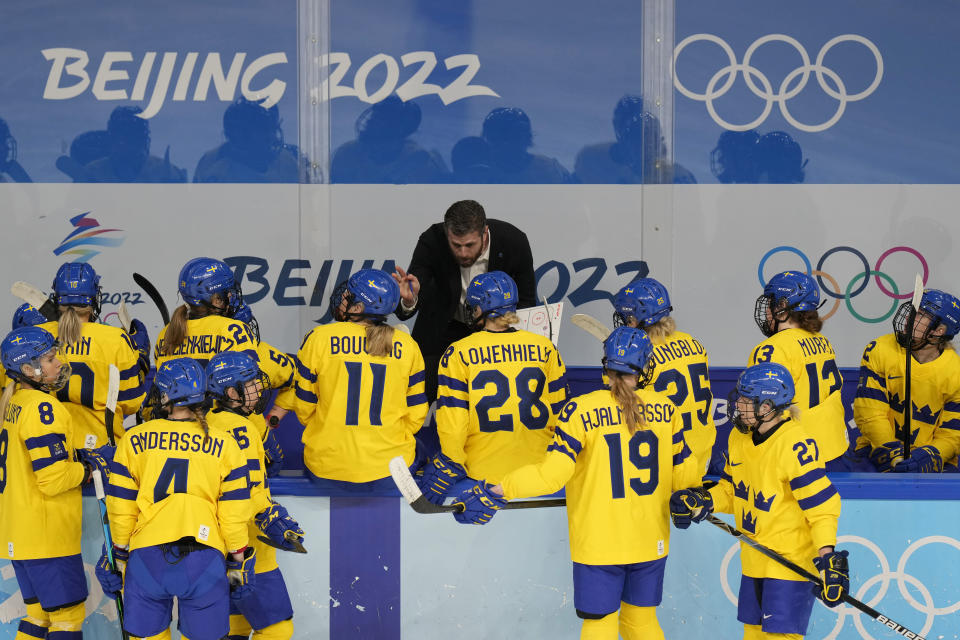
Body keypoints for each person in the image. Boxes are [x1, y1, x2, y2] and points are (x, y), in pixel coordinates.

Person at [455, 327, 700, 640]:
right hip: (650, 541)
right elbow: (686, 472)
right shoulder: (667, 409)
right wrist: (692, 497)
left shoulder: (580, 409)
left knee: (600, 625)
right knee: (641, 623)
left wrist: (498, 490)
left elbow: (550, 476)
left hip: (599, 545)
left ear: (605, 365)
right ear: (645, 367)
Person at [670, 363, 849, 639]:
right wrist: (703, 500)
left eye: (745, 400)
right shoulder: (738, 438)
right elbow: (732, 491)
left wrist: (828, 557)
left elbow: (822, 508)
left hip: (790, 564)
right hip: (754, 560)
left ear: (767, 407)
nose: (738, 405)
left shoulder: (794, 444)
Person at [98, 357, 254, 640]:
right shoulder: (226, 444)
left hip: (146, 560)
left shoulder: (134, 439)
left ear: (166, 395)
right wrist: (237, 561)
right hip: (204, 562)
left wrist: (117, 556)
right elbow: (233, 514)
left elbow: (121, 508)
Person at [0, 326, 111, 640]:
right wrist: (90, 468)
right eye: (49, 359)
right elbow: (53, 479)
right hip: (46, 535)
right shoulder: (42, 407)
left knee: (38, 615)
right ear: (28, 368)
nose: (59, 363)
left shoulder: (13, 402)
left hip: (19, 535)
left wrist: (79, 457)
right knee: (67, 619)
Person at [275, 269, 428, 491]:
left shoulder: (318, 338)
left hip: (326, 468)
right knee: (420, 448)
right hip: (387, 472)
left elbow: (304, 408)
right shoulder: (408, 345)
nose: (343, 298)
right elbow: (416, 416)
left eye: (348, 295)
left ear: (358, 307)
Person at [420, 271, 567, 502]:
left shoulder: (458, 352)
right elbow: (562, 415)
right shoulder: (545, 347)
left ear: (480, 309)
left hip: (482, 476)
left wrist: (450, 462)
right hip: (537, 475)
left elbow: (454, 422)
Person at [154, 257, 293, 470]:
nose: (231, 296)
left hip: (181, 441)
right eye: (227, 293)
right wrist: (264, 439)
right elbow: (249, 395)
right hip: (227, 437)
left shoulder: (166, 334)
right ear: (216, 299)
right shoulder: (233, 330)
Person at [394, 199, 537, 403]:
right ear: (447, 235)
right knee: (416, 392)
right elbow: (410, 297)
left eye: (470, 245)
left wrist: (512, 341)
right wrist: (410, 299)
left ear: (484, 234)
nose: (463, 252)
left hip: (496, 330)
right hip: (444, 329)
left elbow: (526, 301)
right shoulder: (432, 241)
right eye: (456, 245)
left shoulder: (514, 241)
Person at [206, 352, 304, 640]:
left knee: (234, 624)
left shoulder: (210, 420)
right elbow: (250, 489)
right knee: (277, 629)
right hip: (247, 550)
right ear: (231, 392)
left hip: (215, 548)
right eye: (251, 385)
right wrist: (270, 514)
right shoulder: (241, 428)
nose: (260, 389)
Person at [613, 277, 716, 476]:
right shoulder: (693, 342)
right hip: (702, 455)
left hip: (665, 457)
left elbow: (617, 410)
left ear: (633, 320)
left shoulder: (636, 354)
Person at [39, 262, 148, 450]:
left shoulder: (36, 336)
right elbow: (131, 403)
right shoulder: (115, 340)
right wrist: (141, 359)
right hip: (100, 451)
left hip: (45, 450)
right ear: (94, 298)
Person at [853, 288, 960, 472]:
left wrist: (929, 456)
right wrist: (892, 453)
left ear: (939, 330)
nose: (910, 317)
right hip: (876, 451)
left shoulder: (955, 372)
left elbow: (952, 434)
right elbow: (869, 413)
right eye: (912, 310)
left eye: (920, 314)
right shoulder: (879, 349)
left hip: (929, 459)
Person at [748, 270, 847, 465]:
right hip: (834, 448)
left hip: (797, 456)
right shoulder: (822, 341)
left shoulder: (771, 349)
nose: (767, 310)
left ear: (782, 306)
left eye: (770, 303)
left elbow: (762, 414)